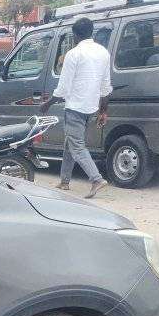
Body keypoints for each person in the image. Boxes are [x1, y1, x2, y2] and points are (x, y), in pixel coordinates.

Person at [40, 16, 112, 198]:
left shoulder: (73, 54)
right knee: (69, 144)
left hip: (75, 108)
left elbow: (63, 87)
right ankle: (65, 181)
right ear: (91, 32)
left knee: (77, 146)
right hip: (91, 107)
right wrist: (103, 111)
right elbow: (106, 86)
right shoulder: (103, 52)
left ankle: (96, 179)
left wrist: (47, 104)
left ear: (74, 35)